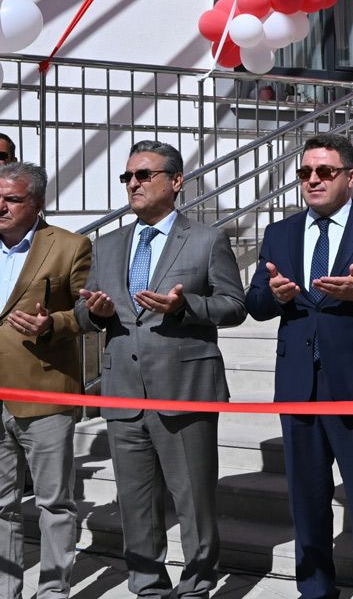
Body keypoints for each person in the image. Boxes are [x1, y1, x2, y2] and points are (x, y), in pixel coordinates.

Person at [75, 140, 247, 599]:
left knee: (194, 502)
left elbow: (234, 306)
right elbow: (84, 312)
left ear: (175, 182)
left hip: (183, 390)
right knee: (135, 505)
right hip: (123, 392)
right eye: (127, 177)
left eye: (143, 175)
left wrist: (185, 306)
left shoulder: (207, 239)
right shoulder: (107, 245)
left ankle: (196, 586)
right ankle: (148, 586)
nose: (133, 184)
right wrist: (95, 312)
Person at [246, 134, 353, 599]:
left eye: (324, 172)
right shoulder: (280, 233)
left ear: (350, 177)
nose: (313, 180)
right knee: (308, 502)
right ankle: (314, 589)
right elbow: (255, 301)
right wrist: (274, 297)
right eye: (305, 173)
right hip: (300, 385)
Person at [0, 162, 90, 599]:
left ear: (37, 203)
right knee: (1, 505)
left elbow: (88, 313)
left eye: (12, 199)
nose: (1, 207)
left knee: (54, 503)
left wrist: (52, 324)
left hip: (44, 392)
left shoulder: (70, 246)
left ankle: (53, 591)